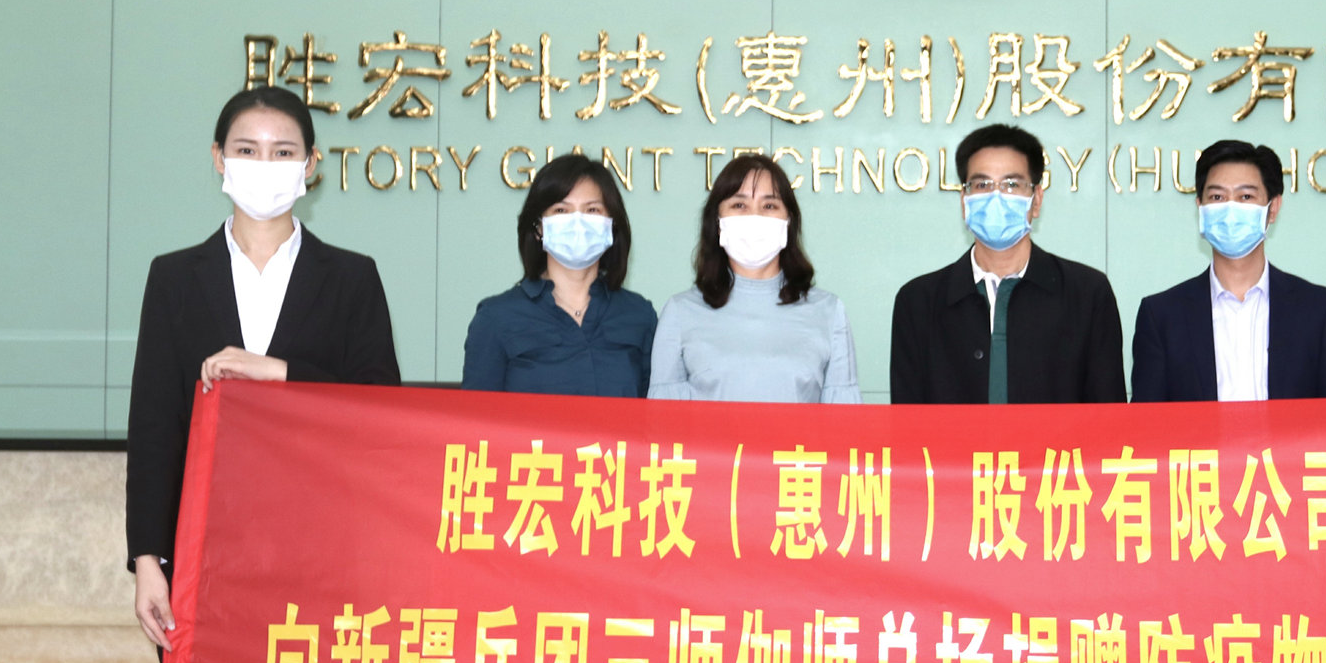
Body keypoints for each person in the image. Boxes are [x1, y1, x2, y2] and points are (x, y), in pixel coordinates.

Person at [126, 85, 400, 663]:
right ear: (218, 160)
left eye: (284, 152)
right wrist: (147, 561)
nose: (264, 166)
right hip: (206, 564)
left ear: (311, 168)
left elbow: (379, 412)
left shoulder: (351, 278)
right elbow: (155, 425)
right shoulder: (175, 278)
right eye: (247, 149)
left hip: (315, 565)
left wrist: (279, 374)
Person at [891, 123, 1124, 404]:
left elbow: (1107, 417)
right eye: (982, 185)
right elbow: (909, 421)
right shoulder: (918, 302)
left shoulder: (1087, 294)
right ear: (964, 200)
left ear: (1036, 200)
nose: (996, 197)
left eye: (1012, 185)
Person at [1130, 140, 1326, 402]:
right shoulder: (1161, 316)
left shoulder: (1319, 311)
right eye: (1217, 197)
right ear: (1200, 208)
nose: (1230, 209)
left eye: (1246, 197)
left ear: (1273, 208)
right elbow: (1147, 422)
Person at [648, 152, 859, 403]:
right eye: (739, 205)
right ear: (717, 221)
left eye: (769, 206)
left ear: (788, 221)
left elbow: (844, 420)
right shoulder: (680, 312)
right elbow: (664, 421)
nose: (754, 216)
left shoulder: (829, 312)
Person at [463, 153, 656, 396]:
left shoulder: (639, 315)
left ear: (612, 225)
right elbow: (476, 415)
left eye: (592, 209)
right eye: (561, 210)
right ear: (538, 228)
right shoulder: (496, 318)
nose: (578, 223)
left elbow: (653, 412)